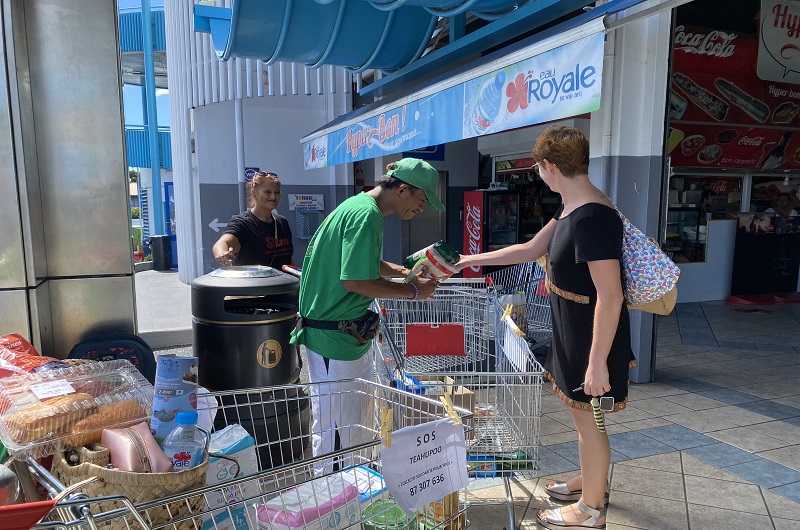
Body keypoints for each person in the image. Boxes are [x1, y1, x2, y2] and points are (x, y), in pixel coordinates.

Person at [456, 126, 634, 530]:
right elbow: (529, 249)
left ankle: (590, 509)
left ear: (549, 166)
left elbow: (611, 295)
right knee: (587, 418)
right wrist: (470, 259)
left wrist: (597, 364)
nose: (538, 173)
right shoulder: (572, 207)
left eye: (538, 167)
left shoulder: (592, 217)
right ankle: (591, 482)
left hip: (591, 336)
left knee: (589, 420)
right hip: (575, 329)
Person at [290, 158, 443, 473]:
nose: (422, 209)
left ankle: (353, 493)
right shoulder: (366, 215)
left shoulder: (361, 208)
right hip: (334, 338)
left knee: (352, 424)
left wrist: (404, 273)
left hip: (343, 336)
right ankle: (332, 504)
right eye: (422, 200)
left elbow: (364, 263)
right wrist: (414, 292)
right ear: (402, 189)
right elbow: (356, 281)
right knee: (337, 431)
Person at [212, 171, 294, 268]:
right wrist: (222, 253)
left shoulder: (282, 222)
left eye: (277, 192)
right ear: (254, 194)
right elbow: (222, 242)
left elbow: (287, 259)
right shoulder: (242, 223)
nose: (273, 196)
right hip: (253, 282)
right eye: (267, 192)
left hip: (283, 282)